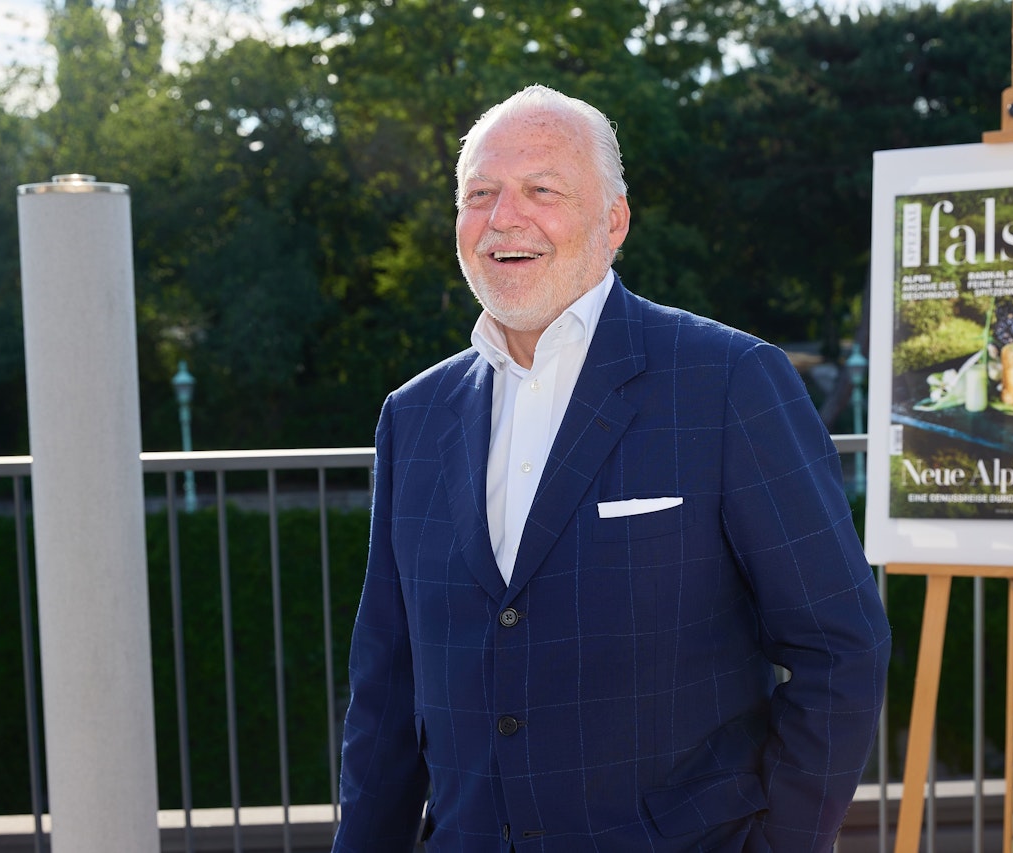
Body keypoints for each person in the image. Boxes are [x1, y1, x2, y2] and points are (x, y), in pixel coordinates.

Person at [333, 84, 891, 852]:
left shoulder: (728, 381)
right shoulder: (414, 415)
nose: (504, 217)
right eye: (480, 194)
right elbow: (386, 690)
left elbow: (839, 645)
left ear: (615, 221)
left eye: (542, 190)